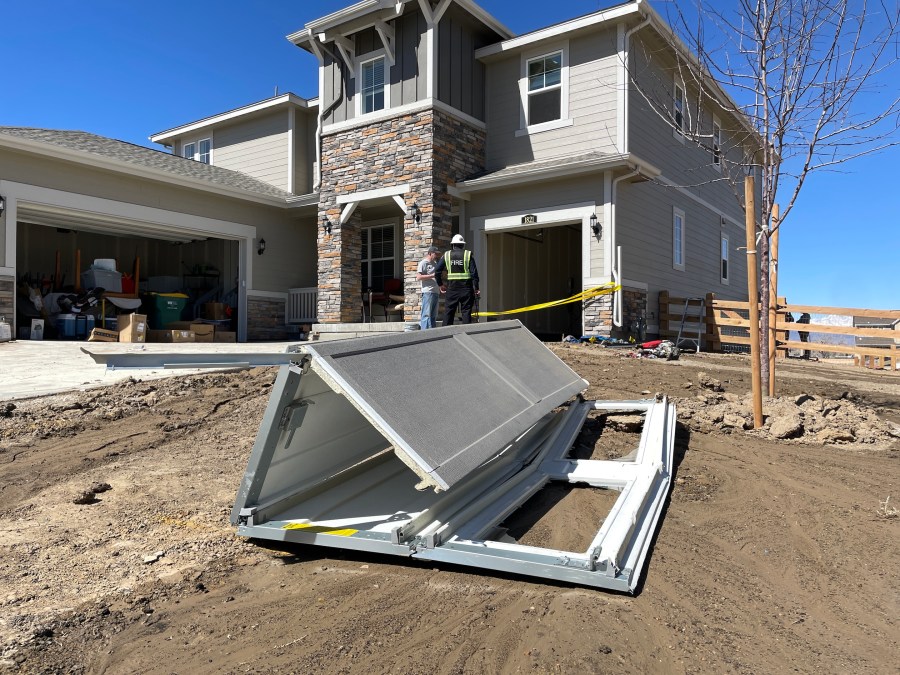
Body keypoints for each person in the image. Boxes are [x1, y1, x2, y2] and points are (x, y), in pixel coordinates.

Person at [434, 233, 480, 326]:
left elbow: (437, 272)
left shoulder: (446, 255)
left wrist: (440, 285)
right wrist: (476, 288)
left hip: (452, 289)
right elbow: (474, 273)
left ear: (453, 244)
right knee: (466, 312)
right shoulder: (468, 255)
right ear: (463, 244)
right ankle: (466, 335)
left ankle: (445, 335)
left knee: (449, 312)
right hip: (466, 289)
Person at [416, 246, 441, 329]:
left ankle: (432, 334)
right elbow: (419, 277)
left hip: (435, 292)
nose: (437, 256)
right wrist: (432, 275)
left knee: (433, 315)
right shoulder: (423, 263)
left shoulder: (435, 263)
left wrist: (441, 286)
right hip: (428, 292)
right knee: (426, 314)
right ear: (430, 253)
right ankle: (424, 334)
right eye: (435, 254)